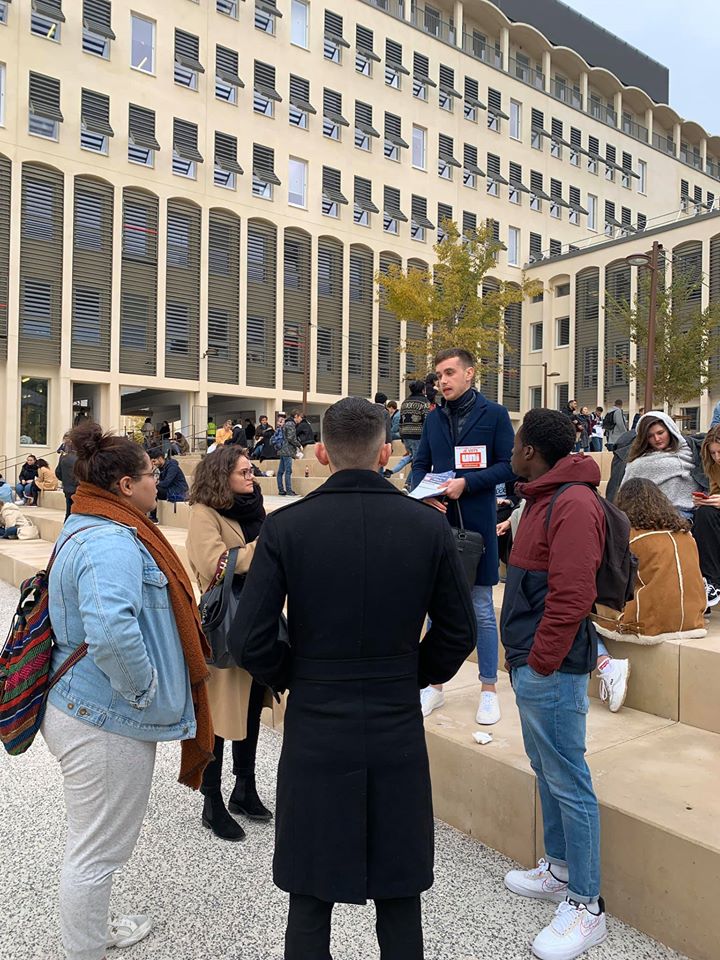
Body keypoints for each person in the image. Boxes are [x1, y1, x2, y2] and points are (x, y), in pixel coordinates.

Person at [232, 396, 476, 960]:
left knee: (310, 894)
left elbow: (249, 638)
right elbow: (458, 631)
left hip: (317, 721)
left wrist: (294, 675)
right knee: (399, 893)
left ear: (320, 453)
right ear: (386, 453)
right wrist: (415, 673)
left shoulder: (288, 527)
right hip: (394, 719)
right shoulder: (427, 527)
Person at [41, 420, 213, 960]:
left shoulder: (89, 522)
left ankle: (90, 933)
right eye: (150, 475)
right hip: (103, 717)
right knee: (96, 851)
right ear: (124, 487)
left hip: (88, 706)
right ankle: (84, 950)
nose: (157, 483)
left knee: (93, 841)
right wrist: (145, 692)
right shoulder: (110, 539)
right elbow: (112, 632)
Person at [501, 408, 607, 960]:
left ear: (531, 451)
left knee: (569, 780)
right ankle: (561, 869)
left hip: (553, 667)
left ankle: (587, 906)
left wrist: (539, 661)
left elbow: (571, 595)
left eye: (518, 444)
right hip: (533, 662)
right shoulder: (545, 496)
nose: (514, 451)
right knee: (549, 772)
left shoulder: (572, 502)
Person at [411, 348, 514, 725]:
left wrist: (466, 483)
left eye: (450, 372)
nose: (443, 381)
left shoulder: (495, 415)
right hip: (438, 525)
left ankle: (489, 689)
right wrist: (427, 492)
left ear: (470, 373)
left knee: (482, 609)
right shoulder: (434, 419)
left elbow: (509, 466)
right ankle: (434, 686)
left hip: (477, 527)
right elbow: (420, 464)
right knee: (437, 608)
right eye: (439, 375)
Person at [186, 445, 276, 841]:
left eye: (251, 470)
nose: (251, 476)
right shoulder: (204, 513)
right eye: (243, 471)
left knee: (253, 708)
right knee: (221, 718)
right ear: (223, 475)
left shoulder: (253, 508)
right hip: (224, 629)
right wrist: (265, 546)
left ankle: (244, 788)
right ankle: (212, 802)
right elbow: (216, 565)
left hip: (258, 623)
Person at [593, 479, 705, 674]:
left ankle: (605, 664)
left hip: (649, 621)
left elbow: (613, 584)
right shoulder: (686, 535)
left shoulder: (631, 537)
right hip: (693, 617)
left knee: (577, 612)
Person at [620, 412, 702, 520]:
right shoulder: (638, 463)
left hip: (693, 514)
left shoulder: (691, 452)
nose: (657, 439)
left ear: (670, 430)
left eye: (660, 433)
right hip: (653, 517)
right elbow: (625, 495)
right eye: (650, 436)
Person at [691, 425, 720, 602]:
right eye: (713, 453)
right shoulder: (715, 467)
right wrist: (708, 500)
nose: (717, 458)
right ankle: (711, 582)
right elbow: (716, 491)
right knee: (704, 514)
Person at [384, 381, 430, 482]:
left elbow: (401, 421)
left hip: (405, 436)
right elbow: (427, 420)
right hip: (418, 436)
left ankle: (393, 472)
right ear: (423, 390)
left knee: (413, 458)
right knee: (419, 463)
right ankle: (409, 484)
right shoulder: (424, 402)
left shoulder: (405, 402)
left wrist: (403, 438)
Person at [148, 448, 189, 522]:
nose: (154, 464)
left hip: (178, 491)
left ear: (160, 458)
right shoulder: (161, 468)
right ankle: (148, 515)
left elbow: (166, 483)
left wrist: (155, 482)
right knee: (149, 488)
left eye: (154, 461)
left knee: (153, 488)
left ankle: (153, 517)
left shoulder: (172, 467)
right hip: (169, 490)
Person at [276, 412, 301, 497]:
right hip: (287, 450)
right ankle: (289, 491)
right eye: (300, 417)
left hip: (282, 449)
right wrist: (299, 445)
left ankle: (281, 490)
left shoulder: (286, 423)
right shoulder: (291, 424)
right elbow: (291, 438)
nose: (300, 419)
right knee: (288, 471)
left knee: (280, 471)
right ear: (296, 416)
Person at [56, 440, 79, 519]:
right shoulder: (81, 459)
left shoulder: (63, 458)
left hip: (67, 488)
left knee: (68, 512)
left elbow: (58, 473)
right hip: (78, 489)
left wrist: (65, 480)